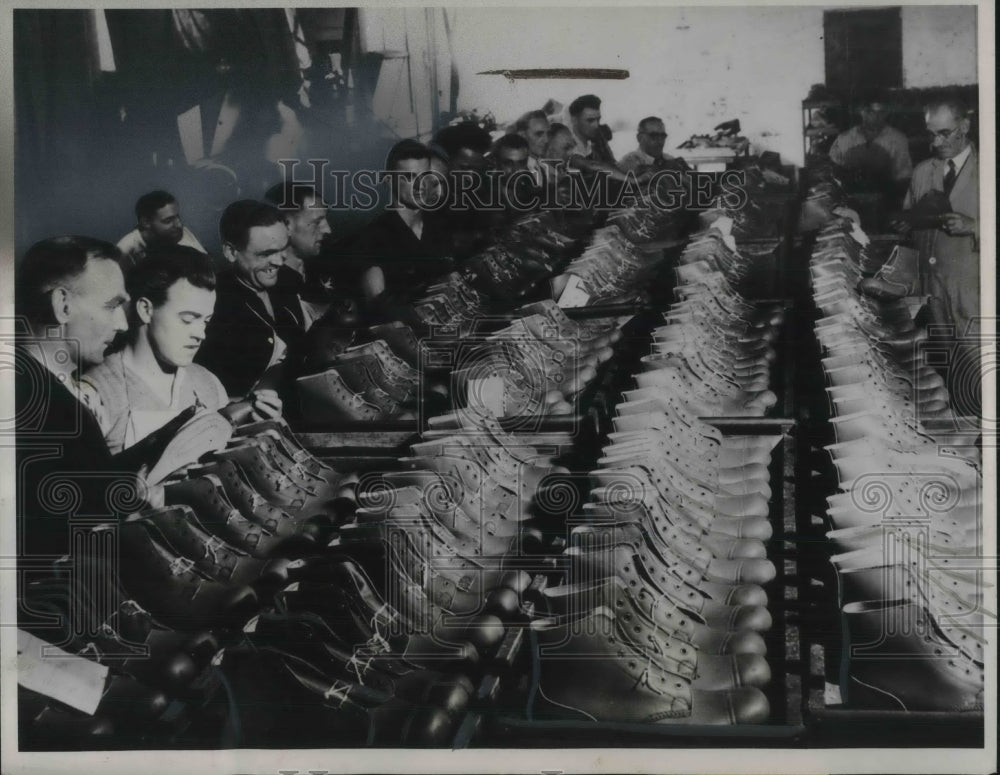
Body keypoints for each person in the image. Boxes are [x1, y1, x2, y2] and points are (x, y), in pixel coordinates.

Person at [13, 236, 161, 559]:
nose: (123, 324)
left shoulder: (29, 387)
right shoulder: (49, 410)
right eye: (112, 306)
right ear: (62, 305)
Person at [81, 247, 281, 455]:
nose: (200, 334)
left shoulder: (208, 384)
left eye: (206, 321)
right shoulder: (94, 394)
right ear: (146, 310)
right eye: (187, 319)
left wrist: (256, 430)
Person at [893, 97, 980, 414]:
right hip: (934, 291)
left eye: (944, 133)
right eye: (931, 134)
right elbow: (909, 229)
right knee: (951, 369)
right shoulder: (921, 173)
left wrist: (975, 226)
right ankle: (965, 437)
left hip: (974, 288)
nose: (936, 142)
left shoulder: (987, 171)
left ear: (965, 127)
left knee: (981, 366)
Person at [195, 200, 307, 398]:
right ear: (231, 252)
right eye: (266, 254)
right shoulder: (214, 307)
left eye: (283, 249)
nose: (279, 261)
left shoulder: (289, 280)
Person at [342, 140, 453, 312]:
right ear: (388, 180)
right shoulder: (373, 238)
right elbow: (378, 307)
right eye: (409, 177)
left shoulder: (439, 227)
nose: (420, 185)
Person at [264, 182, 335, 326]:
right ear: (285, 226)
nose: (328, 230)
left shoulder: (323, 267)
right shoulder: (271, 291)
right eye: (317, 222)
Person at [829, 96, 913, 194]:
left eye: (881, 112)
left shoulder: (898, 139)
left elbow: (904, 177)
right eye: (871, 112)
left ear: (887, 113)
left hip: (886, 200)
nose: (877, 117)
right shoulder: (844, 138)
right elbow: (833, 171)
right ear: (862, 111)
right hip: (850, 199)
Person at [117, 190, 207, 269]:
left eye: (177, 217)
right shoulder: (125, 251)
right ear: (145, 222)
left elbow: (207, 268)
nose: (179, 225)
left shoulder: (178, 233)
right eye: (168, 220)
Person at [619, 116, 683, 174]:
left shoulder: (670, 159)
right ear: (639, 138)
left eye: (663, 136)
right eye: (654, 136)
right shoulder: (628, 163)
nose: (660, 141)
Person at [515, 109, 550, 186]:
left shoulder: (541, 165)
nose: (546, 140)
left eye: (548, 133)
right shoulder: (514, 172)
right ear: (522, 136)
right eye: (539, 134)